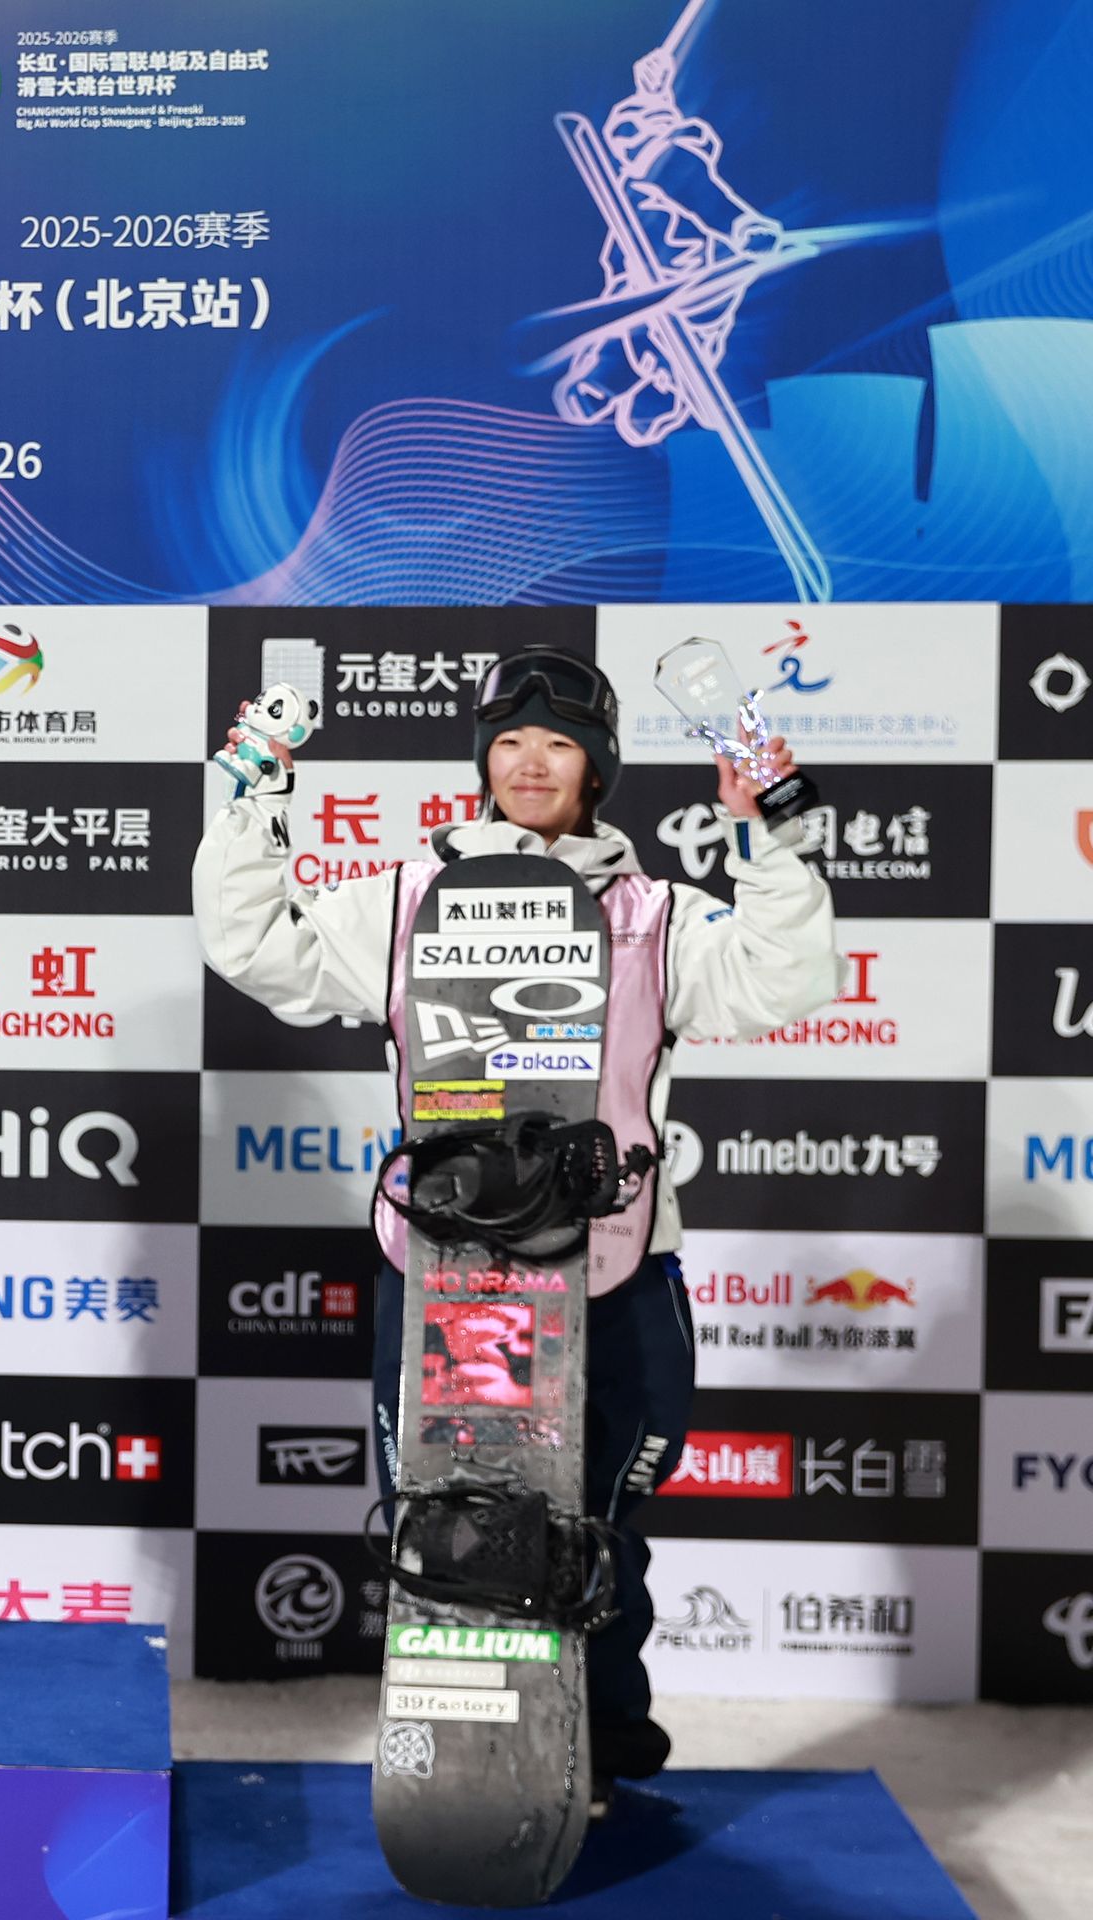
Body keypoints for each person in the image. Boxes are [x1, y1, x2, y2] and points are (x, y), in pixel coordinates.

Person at [192, 646, 838, 1801]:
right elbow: (255, 945)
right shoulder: (403, 897)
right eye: (508, 741)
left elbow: (779, 981)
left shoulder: (651, 911)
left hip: (615, 1262)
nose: (531, 762)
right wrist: (254, 792)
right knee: (452, 1521)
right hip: (448, 1267)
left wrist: (771, 842)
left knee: (601, 1529)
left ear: (596, 767)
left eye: (558, 742)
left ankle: (610, 1763)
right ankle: (466, 1770)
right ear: (481, 762)